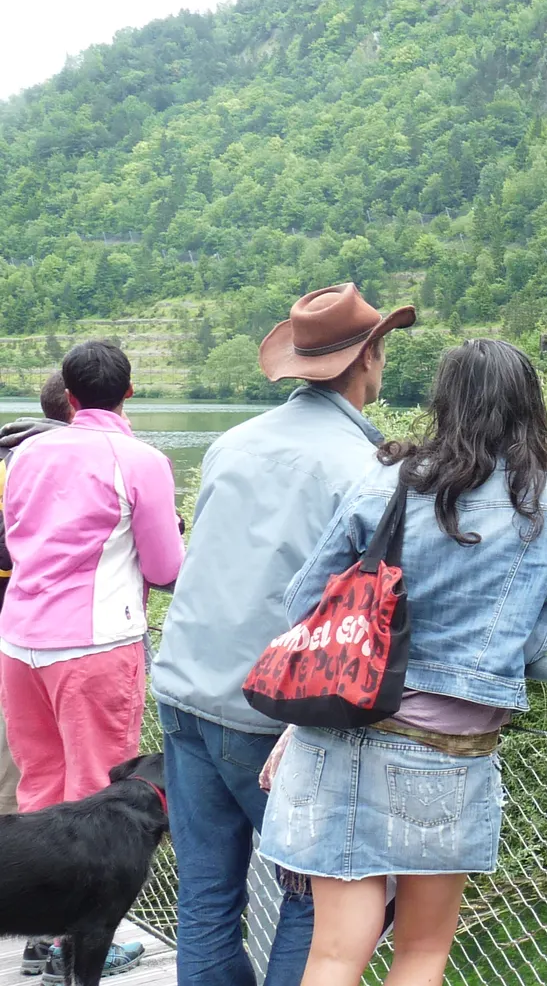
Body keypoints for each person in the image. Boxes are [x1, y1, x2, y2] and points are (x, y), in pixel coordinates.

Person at [260, 339, 547, 986]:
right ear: (530, 404)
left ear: (446, 402)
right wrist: (483, 663)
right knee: (420, 951)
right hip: (449, 751)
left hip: (339, 732)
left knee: (332, 953)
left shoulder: (386, 481)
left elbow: (305, 600)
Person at [151, 284, 416, 986]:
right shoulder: (369, 468)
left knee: (206, 901)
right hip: (274, 710)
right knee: (323, 894)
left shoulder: (232, 443)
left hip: (183, 688)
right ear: (370, 360)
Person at [0, 343, 183, 981]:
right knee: (96, 799)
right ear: (130, 393)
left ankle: (37, 932)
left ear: (69, 399)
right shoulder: (141, 461)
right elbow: (164, 569)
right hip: (94, 644)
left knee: (41, 787)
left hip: (19, 640)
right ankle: (67, 951)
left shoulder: (26, 452)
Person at [0, 372, 73, 820]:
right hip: (44, 633)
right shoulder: (39, 459)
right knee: (22, 768)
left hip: (21, 629)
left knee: (27, 763)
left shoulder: (11, 454)